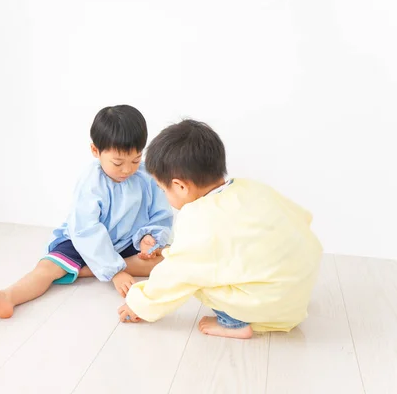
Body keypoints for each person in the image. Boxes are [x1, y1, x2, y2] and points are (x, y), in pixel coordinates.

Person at [118, 119, 323, 339]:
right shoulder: (251, 188)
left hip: (267, 308)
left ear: (179, 186)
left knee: (196, 273)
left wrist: (139, 305)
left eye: (162, 189)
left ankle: (233, 323)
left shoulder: (199, 219)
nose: (165, 197)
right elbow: (302, 219)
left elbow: (176, 273)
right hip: (297, 291)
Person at [0, 105, 174, 318]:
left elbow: (160, 213)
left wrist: (150, 237)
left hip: (128, 241)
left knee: (169, 261)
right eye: (118, 162)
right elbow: (85, 229)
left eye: (135, 160)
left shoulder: (146, 176)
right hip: (84, 241)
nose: (127, 169)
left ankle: (84, 270)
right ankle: (7, 297)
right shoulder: (91, 182)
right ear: (96, 151)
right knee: (46, 269)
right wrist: (116, 272)